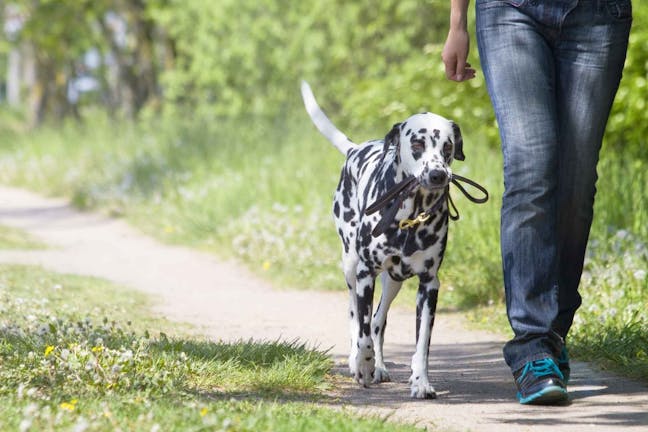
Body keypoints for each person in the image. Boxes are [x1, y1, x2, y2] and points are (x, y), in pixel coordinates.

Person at [442, 0, 632, 405]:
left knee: (576, 182)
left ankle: (554, 332)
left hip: (598, 16)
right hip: (511, 11)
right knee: (531, 164)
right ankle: (532, 346)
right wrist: (457, 22)